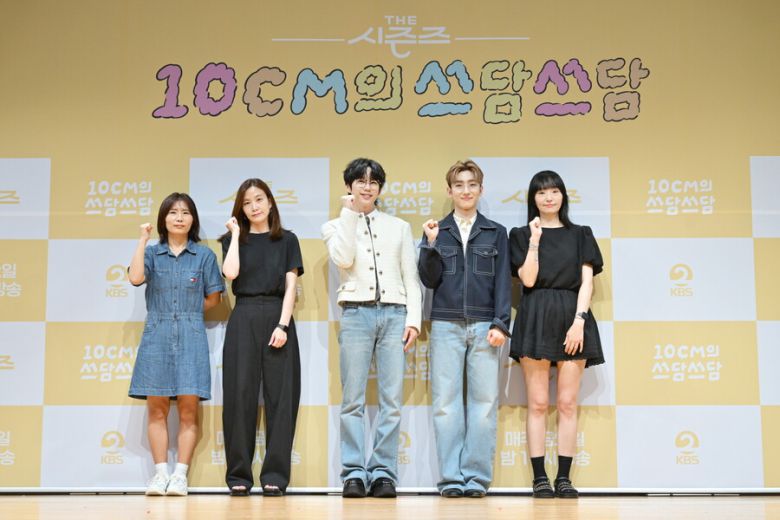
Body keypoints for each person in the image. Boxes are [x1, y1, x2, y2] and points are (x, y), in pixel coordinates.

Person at [321, 158, 422, 498]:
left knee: (391, 400)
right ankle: (353, 472)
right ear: (349, 185)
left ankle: (383, 473)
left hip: (395, 314)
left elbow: (411, 277)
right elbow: (344, 259)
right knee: (352, 400)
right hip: (355, 313)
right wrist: (349, 214)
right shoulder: (334, 226)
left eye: (373, 182)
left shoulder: (399, 227)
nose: (367, 187)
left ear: (380, 188)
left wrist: (413, 320)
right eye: (361, 181)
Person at [508, 170, 605, 499]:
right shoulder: (521, 235)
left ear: (563, 195)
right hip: (535, 315)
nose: (548, 198)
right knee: (537, 404)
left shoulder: (581, 234)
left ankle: (564, 478)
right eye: (541, 192)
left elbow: (587, 282)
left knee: (566, 404)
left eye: (554, 191)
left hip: (572, 317)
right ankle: (539, 478)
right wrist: (535, 241)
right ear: (533, 199)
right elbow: (528, 280)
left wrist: (579, 321)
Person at [418, 160, 511, 498]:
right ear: (449, 190)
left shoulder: (496, 232)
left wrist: (501, 322)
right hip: (445, 324)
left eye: (472, 185)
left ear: (481, 190)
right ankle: (451, 479)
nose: (466, 190)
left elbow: (503, 282)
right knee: (446, 404)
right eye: (459, 185)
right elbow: (428, 279)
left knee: (484, 404)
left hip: (486, 325)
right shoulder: (436, 230)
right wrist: (430, 245)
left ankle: (476, 478)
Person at [128, 192, 224, 496]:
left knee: (188, 409)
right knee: (156, 408)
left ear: (193, 219)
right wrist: (142, 240)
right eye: (173, 212)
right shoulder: (152, 253)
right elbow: (135, 278)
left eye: (185, 212)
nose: (179, 218)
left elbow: (214, 298)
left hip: (191, 335)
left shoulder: (204, 256)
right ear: (163, 219)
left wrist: (188, 313)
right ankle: (160, 474)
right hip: (156, 334)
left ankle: (180, 475)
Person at [220, 178, 303, 497]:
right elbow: (230, 274)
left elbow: (291, 285)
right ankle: (238, 475)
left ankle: (276, 476)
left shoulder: (288, 240)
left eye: (259, 199)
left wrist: (283, 325)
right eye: (246, 202)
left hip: (278, 316)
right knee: (239, 395)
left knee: (281, 399)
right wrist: (236, 235)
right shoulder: (232, 240)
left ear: (270, 202)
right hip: (243, 316)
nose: (254, 207)